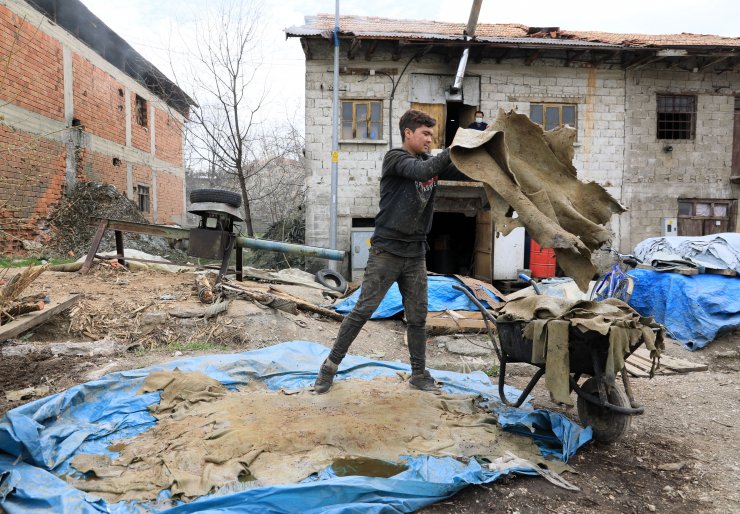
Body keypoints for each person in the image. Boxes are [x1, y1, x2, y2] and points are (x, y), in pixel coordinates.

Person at [313, 109, 463, 394]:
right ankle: (329, 368)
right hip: (387, 252)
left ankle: (418, 374)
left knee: (417, 317)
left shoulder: (428, 161)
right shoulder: (396, 159)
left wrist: (479, 151)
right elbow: (422, 171)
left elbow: (464, 167)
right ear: (408, 133)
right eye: (425, 134)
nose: (430, 139)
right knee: (362, 311)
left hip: (415, 253)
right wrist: (456, 147)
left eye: (432, 135)